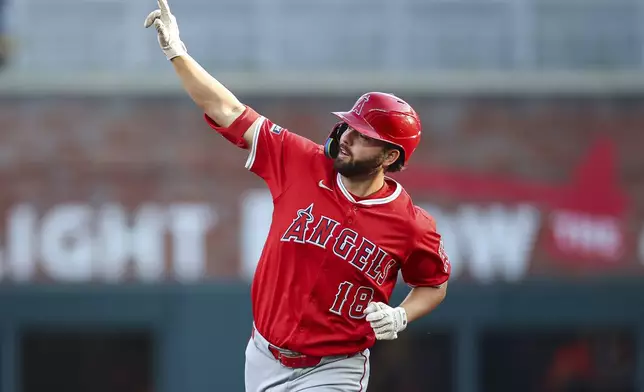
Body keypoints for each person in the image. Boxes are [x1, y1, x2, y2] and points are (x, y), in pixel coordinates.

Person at [144, 1, 451, 391]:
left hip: (334, 367)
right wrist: (178, 54)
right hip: (262, 355)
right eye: (348, 128)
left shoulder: (411, 224)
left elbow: (434, 282)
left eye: (362, 136)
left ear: (390, 156)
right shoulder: (301, 162)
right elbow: (228, 109)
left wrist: (402, 315)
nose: (346, 138)